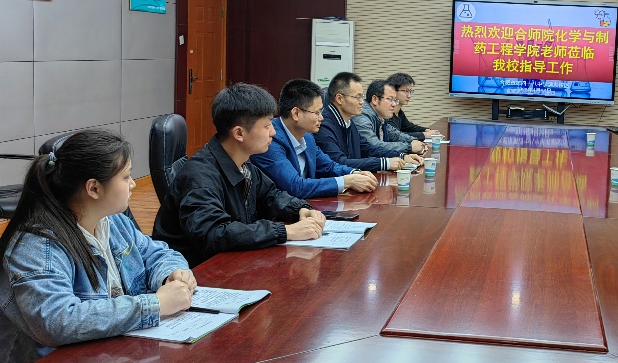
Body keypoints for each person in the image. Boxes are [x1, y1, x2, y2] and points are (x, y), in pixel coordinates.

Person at [0, 129, 195, 363]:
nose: (133, 184)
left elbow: (156, 252)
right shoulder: (38, 246)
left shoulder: (113, 221)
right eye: (126, 177)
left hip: (106, 360)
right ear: (93, 189)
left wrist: (171, 274)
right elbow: (58, 321)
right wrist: (155, 305)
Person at [153, 83, 326, 268]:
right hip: (196, 272)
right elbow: (214, 233)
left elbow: (271, 195)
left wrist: (300, 209)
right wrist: (285, 232)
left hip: (232, 263)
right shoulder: (200, 176)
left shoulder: (242, 163)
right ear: (239, 133)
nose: (273, 132)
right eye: (267, 125)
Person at [250, 79, 378, 199]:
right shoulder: (270, 140)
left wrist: (353, 173)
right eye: (317, 112)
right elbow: (295, 186)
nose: (321, 118)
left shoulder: (307, 136)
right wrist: (346, 181)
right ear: (296, 113)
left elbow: (328, 166)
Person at [314, 72, 423, 172]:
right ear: (339, 99)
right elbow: (338, 162)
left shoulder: (348, 122)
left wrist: (402, 156)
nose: (362, 102)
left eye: (361, 97)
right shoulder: (324, 125)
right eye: (357, 97)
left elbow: (368, 148)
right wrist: (384, 163)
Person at [355, 80, 426, 156]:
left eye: (395, 100)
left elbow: (395, 134)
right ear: (375, 99)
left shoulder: (380, 117)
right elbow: (373, 146)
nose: (394, 104)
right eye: (390, 99)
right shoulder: (361, 116)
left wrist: (413, 140)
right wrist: (409, 147)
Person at [385, 72, 440, 140]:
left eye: (410, 91)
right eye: (406, 91)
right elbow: (396, 136)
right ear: (393, 91)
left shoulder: (399, 112)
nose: (409, 95)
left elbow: (409, 127)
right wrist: (424, 135)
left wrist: (427, 130)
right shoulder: (386, 113)